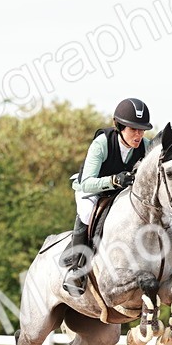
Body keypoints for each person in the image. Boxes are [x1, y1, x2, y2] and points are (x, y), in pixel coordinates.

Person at [61, 97, 152, 295]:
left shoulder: (146, 146)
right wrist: (113, 181)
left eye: (142, 129)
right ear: (119, 126)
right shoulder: (101, 144)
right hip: (92, 190)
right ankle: (77, 268)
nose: (138, 135)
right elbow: (86, 183)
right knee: (86, 213)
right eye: (133, 129)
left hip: (122, 194)